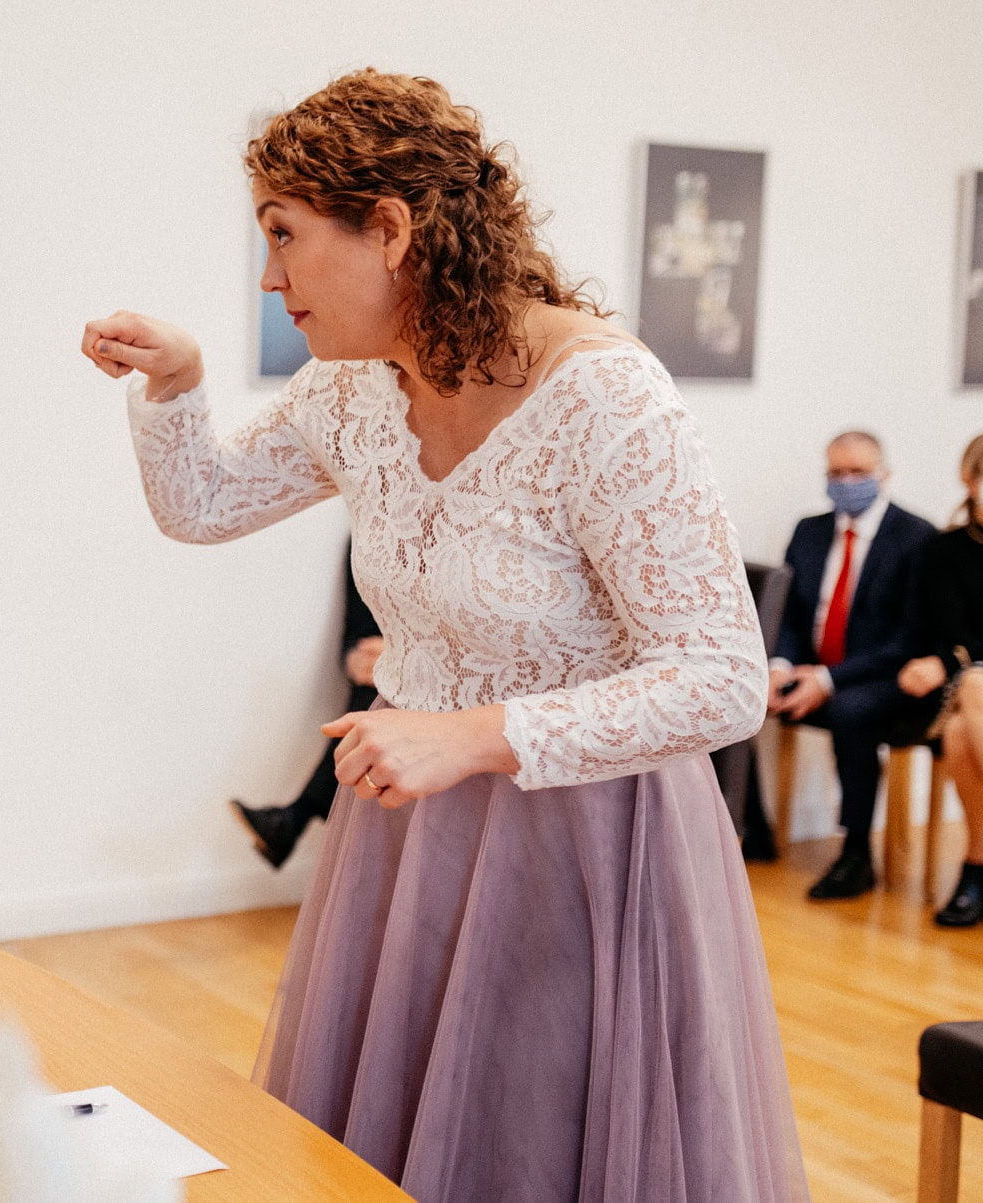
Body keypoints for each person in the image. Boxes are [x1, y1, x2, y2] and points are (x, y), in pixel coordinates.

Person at [82, 70, 805, 1201]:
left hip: (588, 845)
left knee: (530, 1143)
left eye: (283, 235)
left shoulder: (605, 398)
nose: (269, 276)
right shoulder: (351, 390)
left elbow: (721, 680)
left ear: (389, 228)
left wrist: (469, 736)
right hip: (410, 835)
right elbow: (205, 505)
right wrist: (178, 384)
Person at [770, 432, 935, 899]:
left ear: (883, 474)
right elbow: (789, 615)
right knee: (735, 695)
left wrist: (828, 679)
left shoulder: (917, 537)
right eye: (836, 473)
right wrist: (780, 666)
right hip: (811, 669)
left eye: (858, 472)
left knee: (850, 710)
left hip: (884, 677)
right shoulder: (809, 531)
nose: (846, 483)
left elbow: (910, 639)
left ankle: (856, 854)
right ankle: (753, 828)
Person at [231, 544, 380, 868]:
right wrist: (355, 660)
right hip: (381, 681)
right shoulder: (363, 540)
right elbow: (354, 637)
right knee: (373, 693)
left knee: (377, 699)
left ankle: (294, 819)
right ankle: (295, 819)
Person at [898, 434, 983, 925]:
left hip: (969, 685)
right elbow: (954, 632)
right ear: (969, 480)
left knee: (959, 732)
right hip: (971, 682)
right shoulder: (945, 549)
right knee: (972, 689)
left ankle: (977, 866)